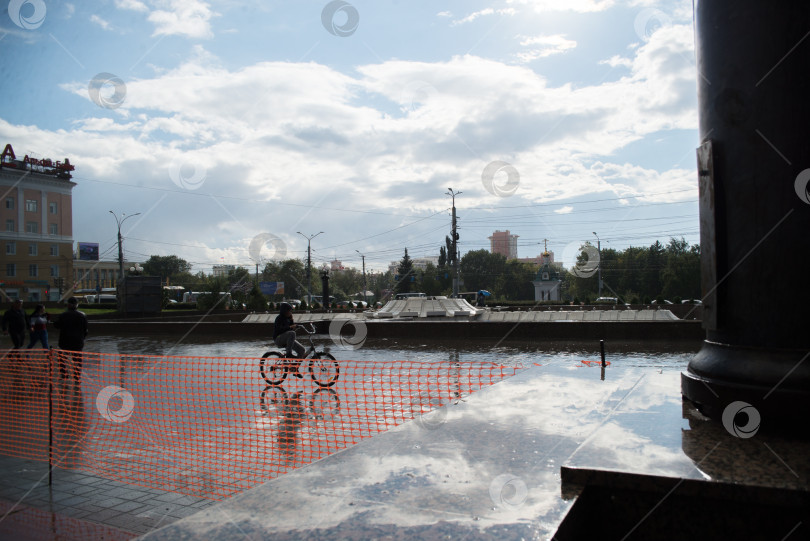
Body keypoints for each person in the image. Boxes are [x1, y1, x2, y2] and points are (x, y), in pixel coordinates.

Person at [54, 297, 88, 380]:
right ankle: (77, 377)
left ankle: (64, 375)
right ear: (77, 305)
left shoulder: (63, 315)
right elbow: (85, 330)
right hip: (77, 342)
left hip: (64, 342)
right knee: (77, 360)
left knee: (62, 360)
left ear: (68, 305)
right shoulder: (82, 315)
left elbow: (56, 325)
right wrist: (82, 338)